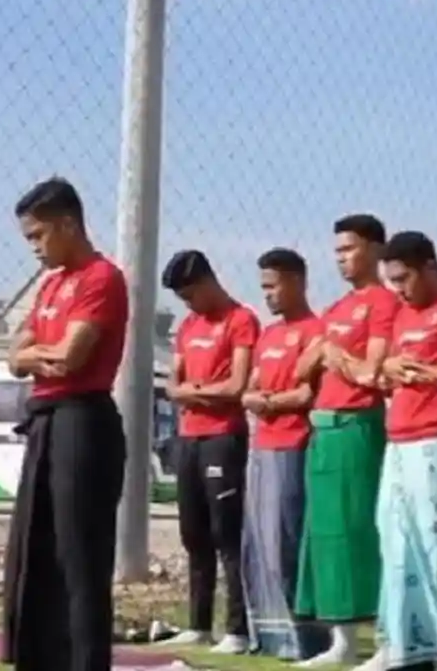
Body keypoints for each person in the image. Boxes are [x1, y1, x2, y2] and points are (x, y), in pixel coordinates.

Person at [1, 177, 129, 671]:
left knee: (80, 559)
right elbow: (16, 355)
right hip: (45, 423)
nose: (34, 248)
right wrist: (34, 356)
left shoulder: (101, 277)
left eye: (38, 236)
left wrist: (31, 356)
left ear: (69, 224)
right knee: (36, 551)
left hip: (84, 424)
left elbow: (71, 358)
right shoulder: (52, 284)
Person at [362, 230, 437, 671]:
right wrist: (389, 371)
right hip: (399, 441)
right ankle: (405, 644)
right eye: (392, 281)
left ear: (431, 267)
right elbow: (379, 375)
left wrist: (420, 372)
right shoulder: (399, 314)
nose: (399, 289)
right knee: (395, 542)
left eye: (404, 278)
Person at [293, 214, 399, 668]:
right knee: (325, 532)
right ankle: (341, 639)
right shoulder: (334, 310)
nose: (342, 259)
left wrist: (333, 356)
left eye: (350, 249)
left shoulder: (383, 303)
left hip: (359, 423)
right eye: (337, 251)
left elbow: (370, 371)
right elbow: (301, 369)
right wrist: (323, 355)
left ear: (375, 249)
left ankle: (382, 637)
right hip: (323, 425)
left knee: (360, 527)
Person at [159, 249, 259, 653]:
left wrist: (193, 393)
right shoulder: (187, 326)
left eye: (190, 295)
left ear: (207, 282)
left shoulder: (241, 320)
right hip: (189, 439)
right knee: (193, 532)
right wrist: (197, 393)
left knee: (226, 534)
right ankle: (199, 623)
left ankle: (237, 628)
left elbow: (236, 386)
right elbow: (172, 384)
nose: (188, 304)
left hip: (223, 437)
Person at [239, 248, 331, 661]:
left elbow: (308, 393)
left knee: (288, 542)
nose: (268, 295)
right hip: (262, 446)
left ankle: (307, 637)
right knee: (258, 543)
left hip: (294, 445)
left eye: (273, 286)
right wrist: (263, 399)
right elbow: (250, 388)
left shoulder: (317, 330)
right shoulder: (269, 335)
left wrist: (270, 402)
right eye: (263, 288)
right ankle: (270, 634)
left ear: (297, 281)